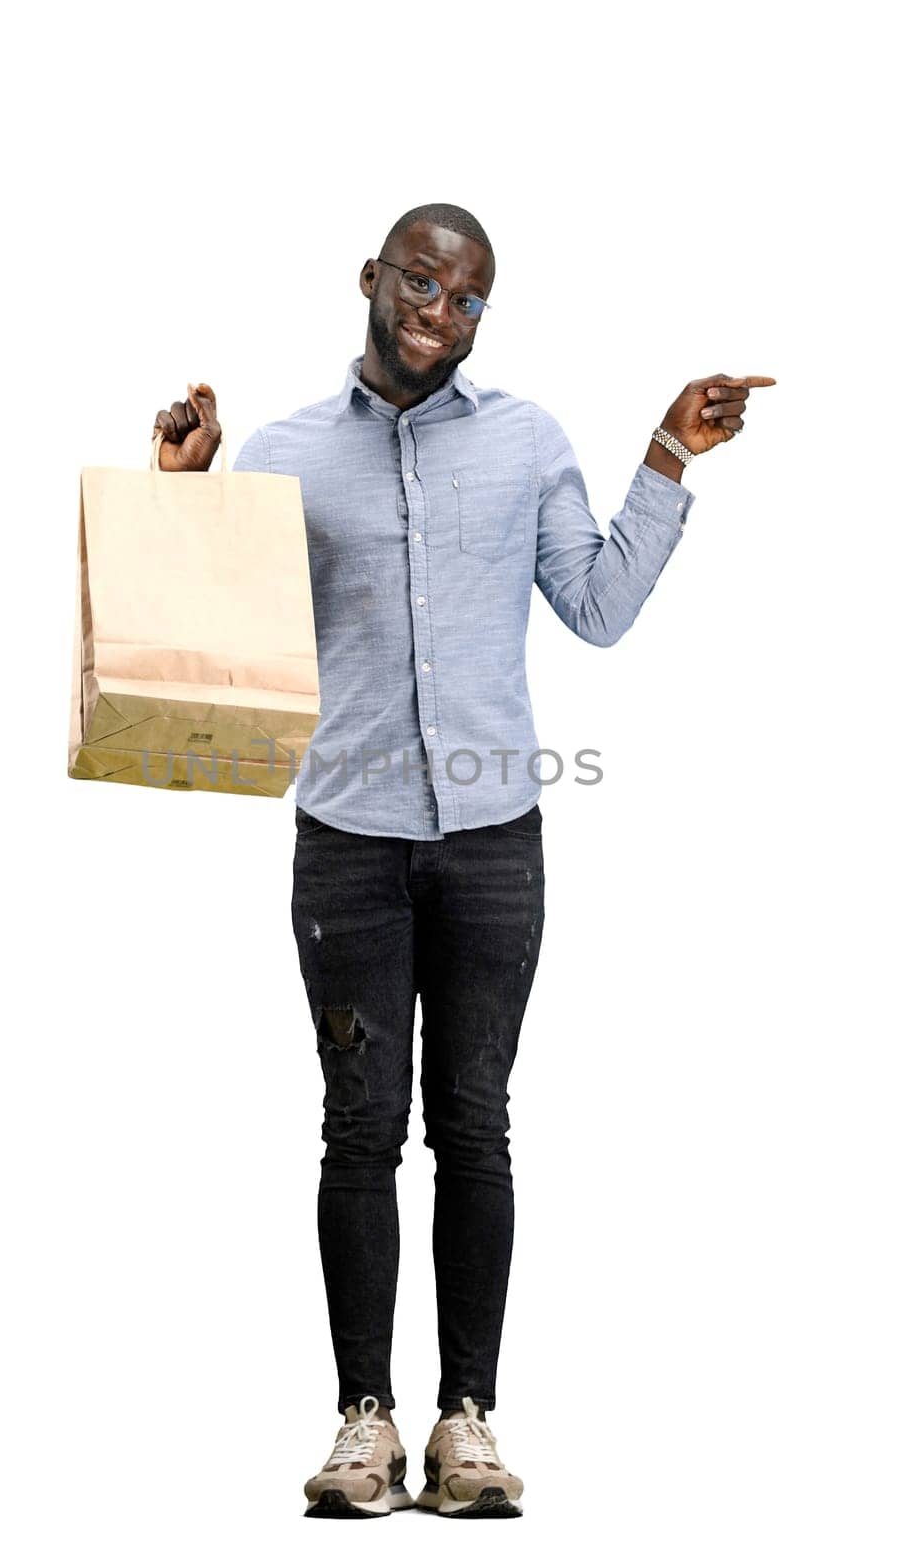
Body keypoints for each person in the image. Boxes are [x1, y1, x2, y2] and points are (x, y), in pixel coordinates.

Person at [152, 203, 775, 1518]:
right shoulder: (282, 453)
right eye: (423, 281)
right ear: (372, 279)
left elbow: (598, 610)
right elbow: (218, 650)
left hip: (496, 847)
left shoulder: (529, 443)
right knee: (360, 1129)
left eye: (471, 296)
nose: (442, 309)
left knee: (477, 1127)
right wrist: (186, 497)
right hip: (345, 846)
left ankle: (468, 1424)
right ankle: (365, 1423)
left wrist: (669, 453)